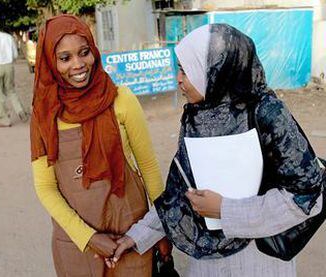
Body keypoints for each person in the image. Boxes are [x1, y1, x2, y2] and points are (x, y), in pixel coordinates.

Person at [108, 24, 325, 276]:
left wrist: (224, 210)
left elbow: (306, 198)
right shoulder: (198, 119)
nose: (178, 79)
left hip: (261, 262)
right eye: (179, 69)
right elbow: (180, 195)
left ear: (215, 69)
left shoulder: (268, 115)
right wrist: (137, 237)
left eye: (186, 70)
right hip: (208, 263)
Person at [30, 15, 167, 276]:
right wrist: (90, 238)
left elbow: (148, 167)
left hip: (130, 235)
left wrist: (160, 228)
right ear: (50, 62)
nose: (79, 65)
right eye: (65, 58)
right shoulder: (43, 116)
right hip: (77, 242)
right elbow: (45, 188)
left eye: (84, 53)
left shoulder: (121, 99)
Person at [0, 19, 28, 127]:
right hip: (9, 66)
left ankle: (4, 119)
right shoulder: (8, 37)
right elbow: (15, 55)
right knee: (11, 91)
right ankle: (21, 111)